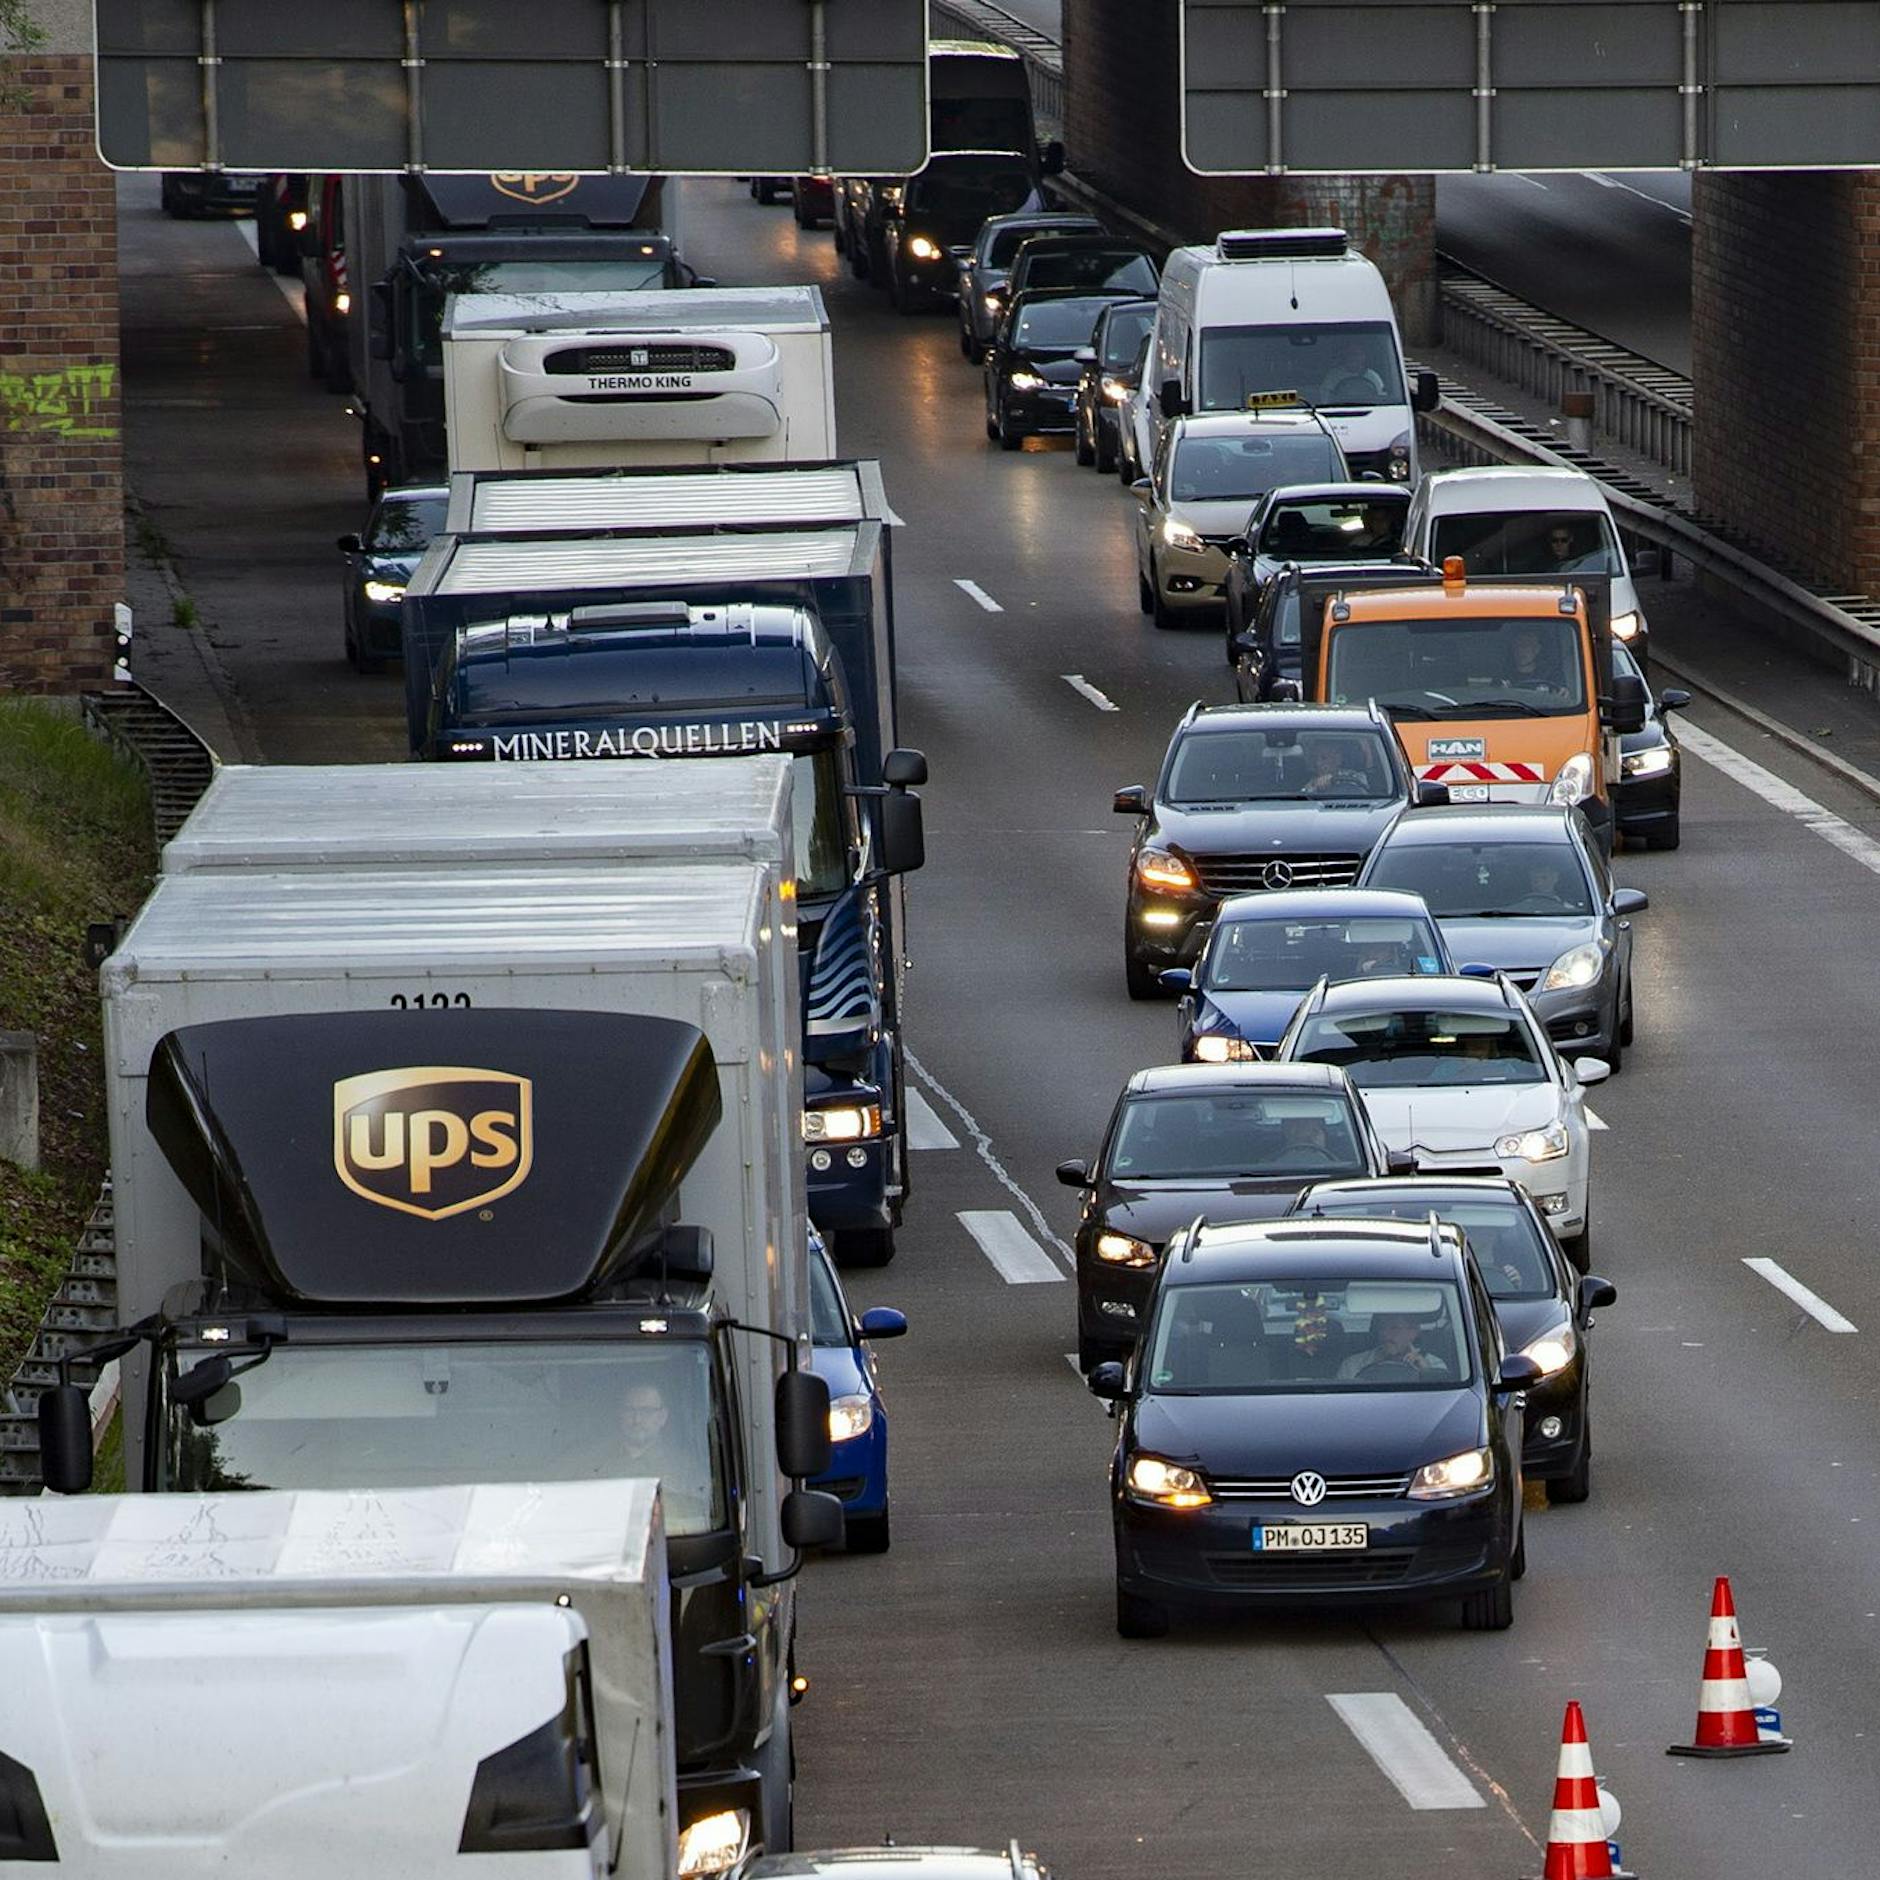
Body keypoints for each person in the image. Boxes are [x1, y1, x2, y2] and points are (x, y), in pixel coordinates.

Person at [1337, 1311, 1450, 1380]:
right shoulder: (1352, 1365)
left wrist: (1426, 1373)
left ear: (1413, 1332)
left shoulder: (1434, 1365)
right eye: (1382, 1327)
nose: (1385, 1333)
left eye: (1394, 1328)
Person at [1315, 340, 1386, 405]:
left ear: (1363, 357)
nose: (1353, 357)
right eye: (1350, 354)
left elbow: (1381, 397)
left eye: (1357, 354)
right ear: (1344, 356)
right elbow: (1325, 398)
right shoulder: (1333, 376)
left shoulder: (1372, 376)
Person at [1301, 736, 1374, 796]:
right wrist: (1316, 786)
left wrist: (1334, 779)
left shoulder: (1356, 777)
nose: (1317, 763)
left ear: (1338, 759)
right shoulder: (1312, 781)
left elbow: (1365, 793)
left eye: (1324, 758)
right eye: (1315, 758)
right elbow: (1303, 801)